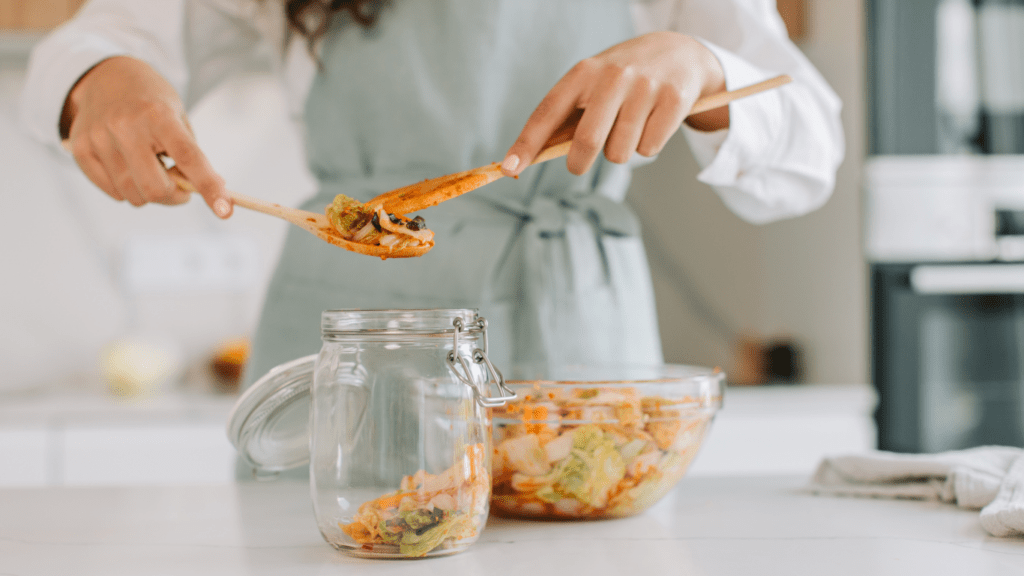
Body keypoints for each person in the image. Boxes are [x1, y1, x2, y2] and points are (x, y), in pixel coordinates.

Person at [21, 0, 843, 386]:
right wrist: (106, 76)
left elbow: (810, 150)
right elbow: (104, 33)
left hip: (572, 331)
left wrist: (704, 69)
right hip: (346, 338)